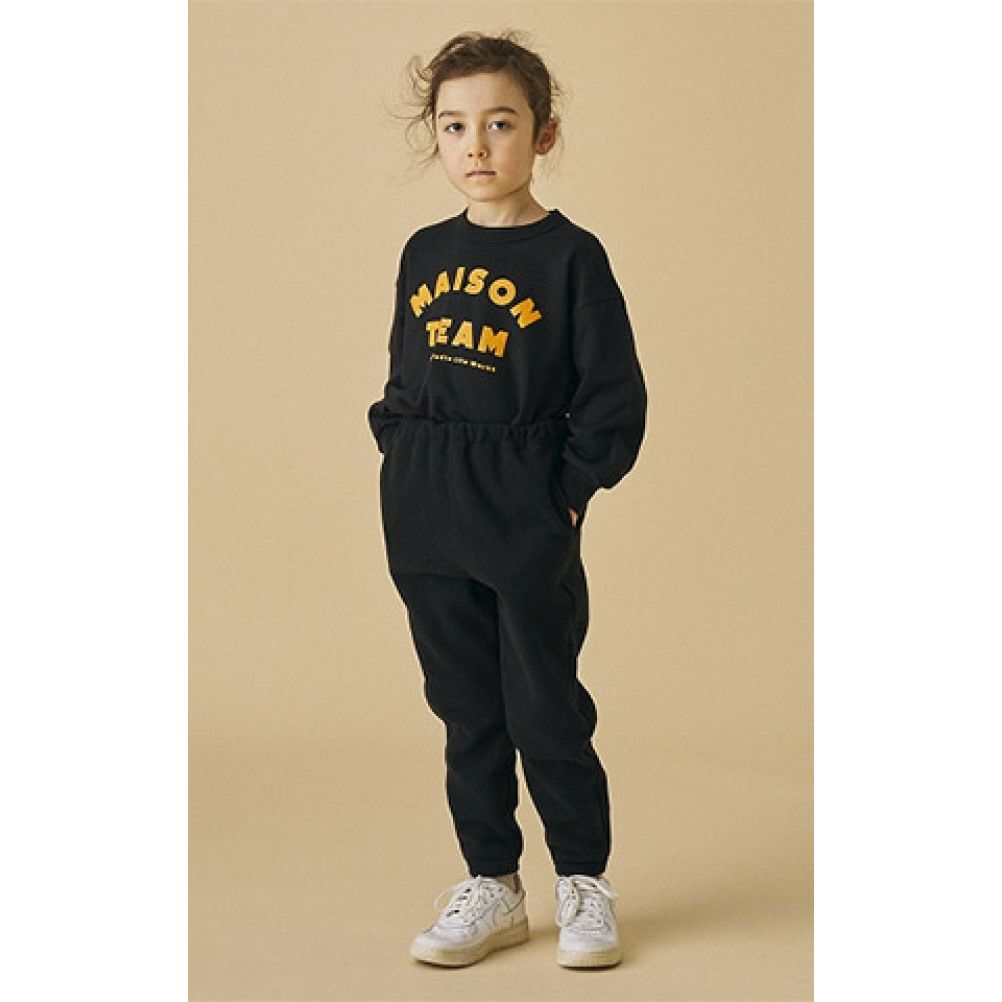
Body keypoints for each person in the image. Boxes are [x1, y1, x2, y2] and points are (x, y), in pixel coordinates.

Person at [367, 29, 647, 970]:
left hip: (522, 511)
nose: (476, 145)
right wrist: (401, 455)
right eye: (454, 126)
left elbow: (612, 399)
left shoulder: (573, 258)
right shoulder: (424, 251)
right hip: (425, 507)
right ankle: (492, 882)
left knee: (544, 706)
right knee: (465, 709)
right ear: (436, 137)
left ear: (543, 134)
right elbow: (405, 379)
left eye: (500, 123)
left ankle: (583, 881)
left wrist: (563, 495)